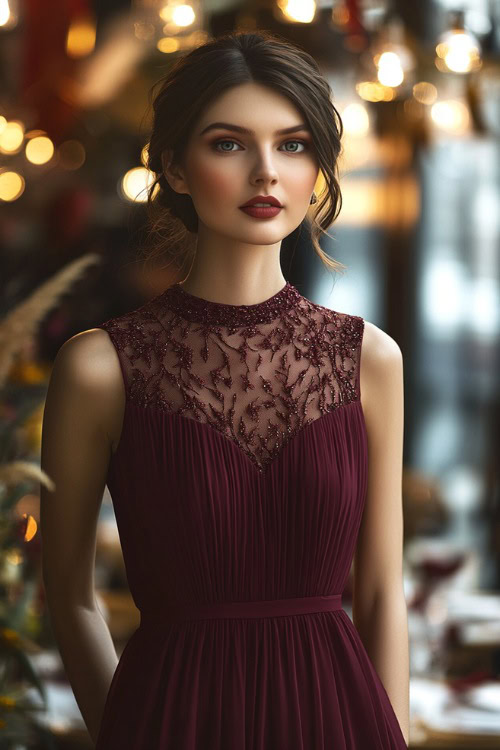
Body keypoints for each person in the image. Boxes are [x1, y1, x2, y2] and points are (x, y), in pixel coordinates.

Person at [40, 29, 409, 748]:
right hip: (171, 722)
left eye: (294, 145)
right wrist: (126, 732)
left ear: (318, 171)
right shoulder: (99, 367)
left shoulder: (369, 358)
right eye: (229, 144)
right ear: (176, 169)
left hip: (343, 724)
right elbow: (71, 594)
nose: (266, 173)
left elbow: (379, 594)